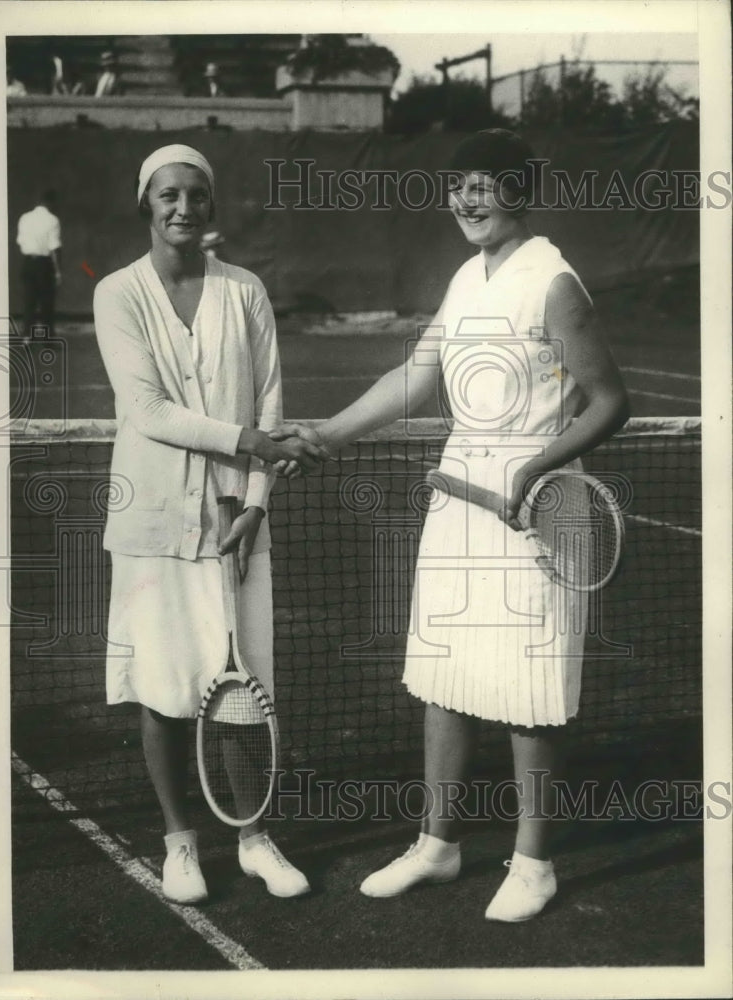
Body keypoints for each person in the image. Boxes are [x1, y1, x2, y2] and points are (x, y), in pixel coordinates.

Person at [273, 129, 630, 921]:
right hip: (460, 498)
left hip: (538, 509)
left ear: (519, 190)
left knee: (529, 687)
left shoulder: (553, 281)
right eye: (457, 185)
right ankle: (437, 845)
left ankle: (532, 862)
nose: (467, 200)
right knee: (444, 674)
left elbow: (609, 399)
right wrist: (329, 435)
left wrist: (535, 470)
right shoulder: (468, 275)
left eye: (485, 184)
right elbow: (417, 374)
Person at [93, 144, 325, 905]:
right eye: (168, 194)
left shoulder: (246, 291)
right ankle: (179, 844)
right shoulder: (118, 294)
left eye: (196, 194)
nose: (183, 207)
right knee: (163, 691)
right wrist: (254, 446)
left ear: (211, 205)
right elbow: (148, 411)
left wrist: (257, 504)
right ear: (145, 204)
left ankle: (254, 839)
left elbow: (269, 402)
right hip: (153, 523)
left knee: (240, 693)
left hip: (236, 524)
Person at [16, 190, 62, 339]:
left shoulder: (25, 218)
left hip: (28, 262)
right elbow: (54, 247)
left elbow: (21, 241)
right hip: (44, 264)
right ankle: (48, 339)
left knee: (29, 301)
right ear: (51, 203)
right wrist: (57, 272)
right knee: (46, 302)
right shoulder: (52, 220)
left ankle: (26, 337)